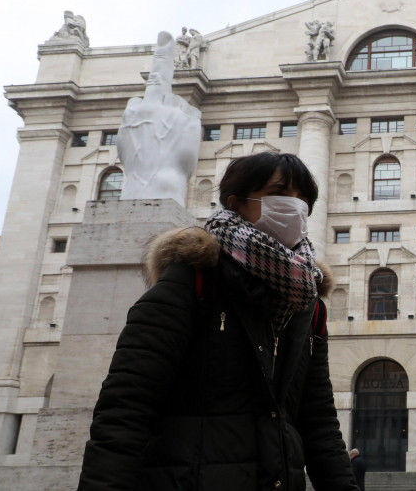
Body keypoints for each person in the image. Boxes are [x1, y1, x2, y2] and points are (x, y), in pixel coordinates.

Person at [77, 152, 359, 491]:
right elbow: (126, 407)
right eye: (279, 193)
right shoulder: (191, 281)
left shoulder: (306, 302)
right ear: (236, 201)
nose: (294, 206)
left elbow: (319, 424)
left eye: (303, 198)